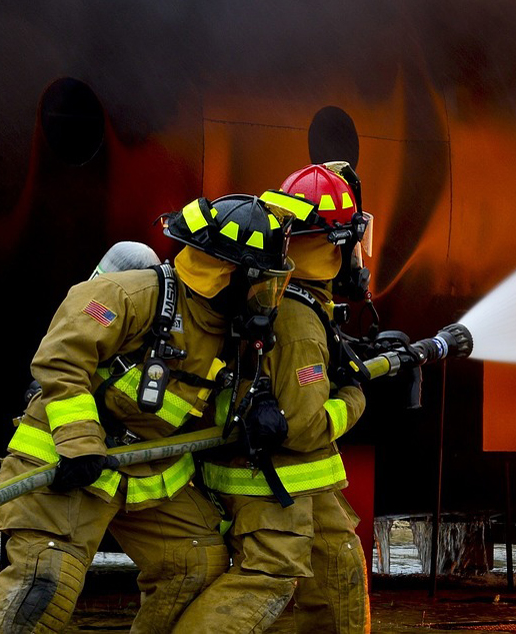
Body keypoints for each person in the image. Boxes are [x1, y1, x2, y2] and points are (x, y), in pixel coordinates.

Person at [0, 195, 294, 633]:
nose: (268, 298)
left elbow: (212, 399)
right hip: (68, 462)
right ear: (228, 274)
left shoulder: (230, 330)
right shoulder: (130, 295)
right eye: (263, 283)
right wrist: (80, 442)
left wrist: (256, 406)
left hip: (145, 472)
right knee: (45, 584)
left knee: (194, 565)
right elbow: (61, 360)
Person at [175, 164, 372, 633]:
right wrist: (354, 396)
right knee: (268, 579)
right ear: (337, 243)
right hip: (272, 478)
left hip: (294, 477)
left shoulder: (282, 294)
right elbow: (304, 426)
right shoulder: (299, 320)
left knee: (338, 562)